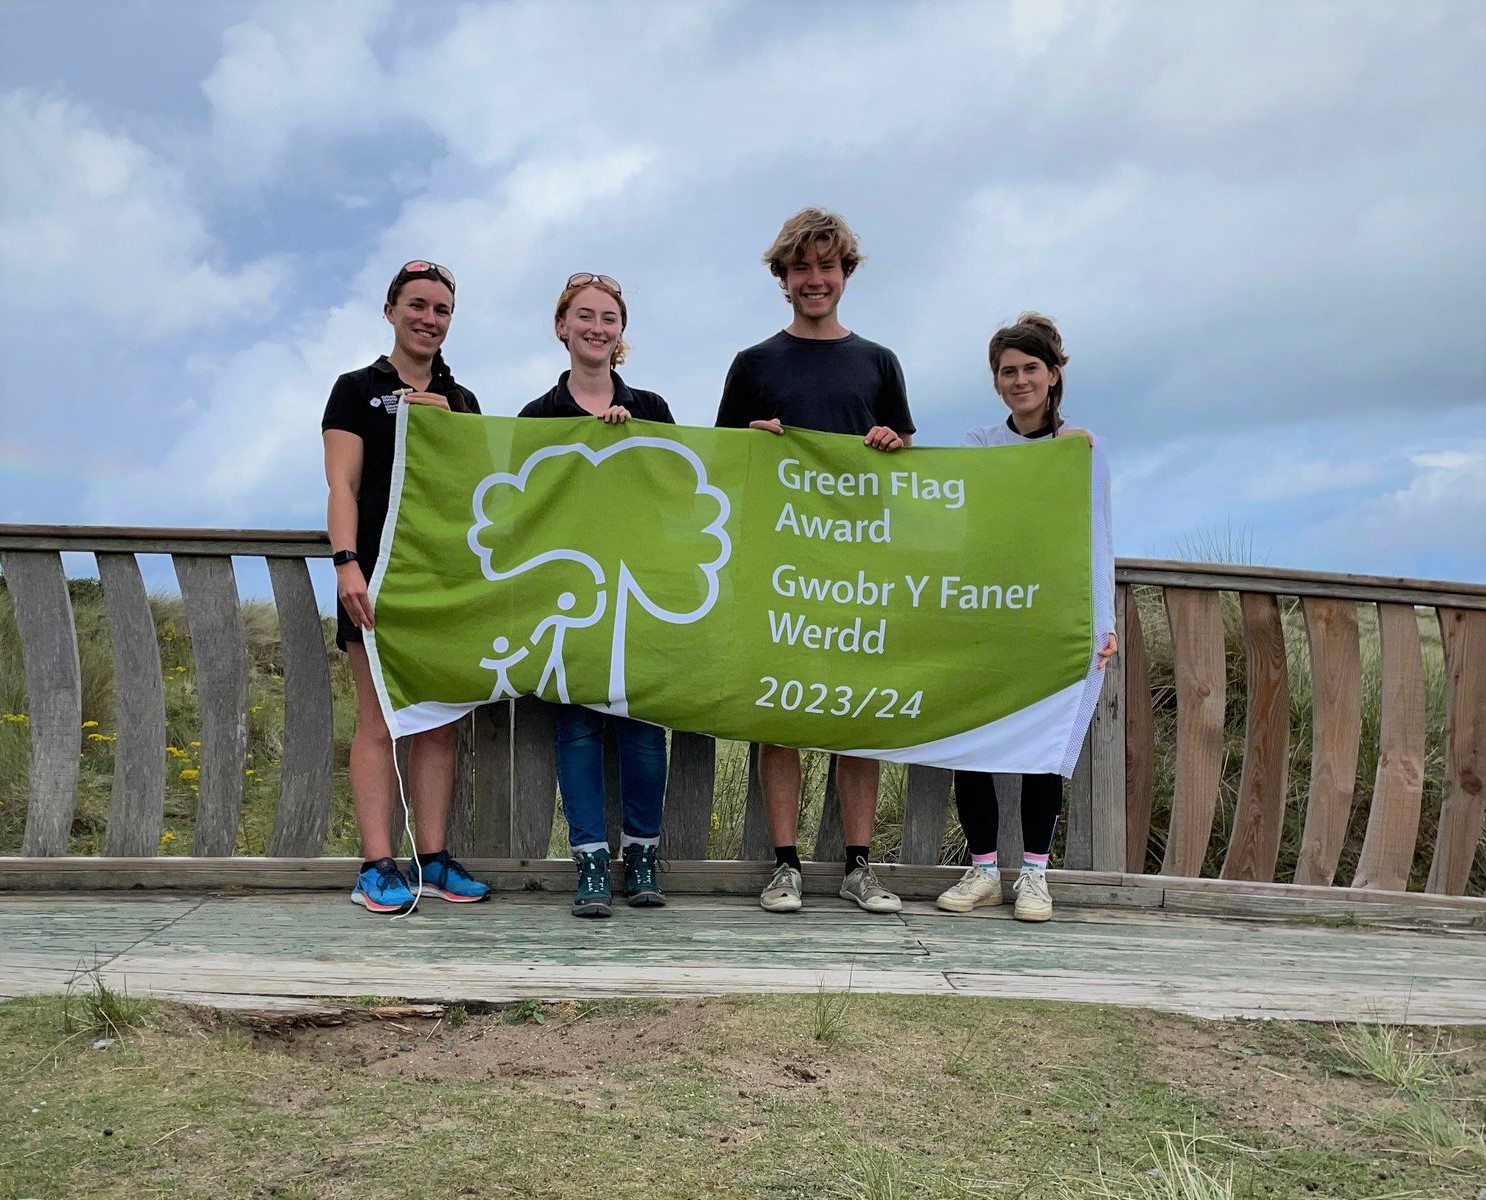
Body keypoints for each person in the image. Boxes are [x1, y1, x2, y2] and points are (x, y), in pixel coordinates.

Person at [715, 208, 914, 916]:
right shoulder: (753, 365)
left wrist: (895, 442)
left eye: (826, 266)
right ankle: (785, 865)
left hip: (859, 568)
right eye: (801, 267)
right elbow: (722, 471)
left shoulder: (879, 362)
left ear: (846, 274)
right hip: (778, 569)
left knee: (857, 714)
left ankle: (861, 866)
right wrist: (751, 441)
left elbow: (908, 472)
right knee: (783, 716)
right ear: (783, 277)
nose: (814, 279)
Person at [322, 260, 492, 914]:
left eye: (441, 310)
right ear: (391, 310)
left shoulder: (464, 400)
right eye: (417, 305)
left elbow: (477, 489)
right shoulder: (354, 388)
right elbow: (342, 483)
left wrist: (447, 424)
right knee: (378, 721)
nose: (428, 319)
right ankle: (376, 864)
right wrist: (345, 564)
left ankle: (435, 857)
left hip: (443, 583)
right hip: (376, 577)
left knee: (440, 725)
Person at [935, 312, 1117, 922]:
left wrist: (1103, 621)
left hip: (1051, 616)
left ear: (1053, 375)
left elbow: (1097, 535)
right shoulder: (980, 445)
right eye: (1007, 371)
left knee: (1043, 740)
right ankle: (984, 868)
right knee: (974, 740)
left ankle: (1035, 873)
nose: (1019, 380)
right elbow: (969, 518)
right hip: (986, 610)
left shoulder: (1081, 451)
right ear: (996, 381)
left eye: (1029, 369)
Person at [519, 273, 675, 919]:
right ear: (562, 326)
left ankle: (641, 854)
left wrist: (631, 439)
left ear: (621, 332)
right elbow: (522, 501)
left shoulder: (653, 408)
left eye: (608, 318)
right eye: (584, 316)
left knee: (642, 731)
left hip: (639, 594)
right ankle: (588, 859)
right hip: (566, 598)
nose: (596, 327)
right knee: (577, 731)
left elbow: (679, 491)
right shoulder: (537, 416)